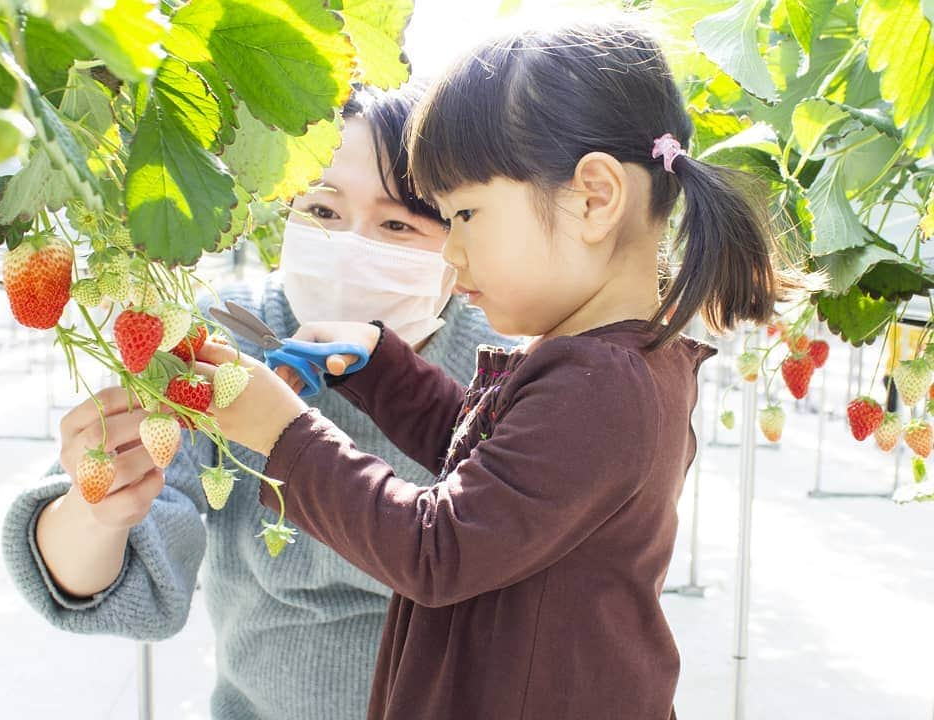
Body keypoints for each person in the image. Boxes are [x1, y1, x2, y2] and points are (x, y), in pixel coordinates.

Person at [191, 17, 810, 720]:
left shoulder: (602, 386)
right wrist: (381, 366)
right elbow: (486, 462)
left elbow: (437, 548)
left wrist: (285, 437)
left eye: (464, 214)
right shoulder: (598, 363)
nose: (450, 255)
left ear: (593, 198)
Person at [1, 81, 513, 720]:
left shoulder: (503, 371)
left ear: (458, 240)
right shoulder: (221, 337)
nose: (351, 245)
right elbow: (96, 576)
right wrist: (99, 506)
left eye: (397, 224)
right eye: (323, 212)